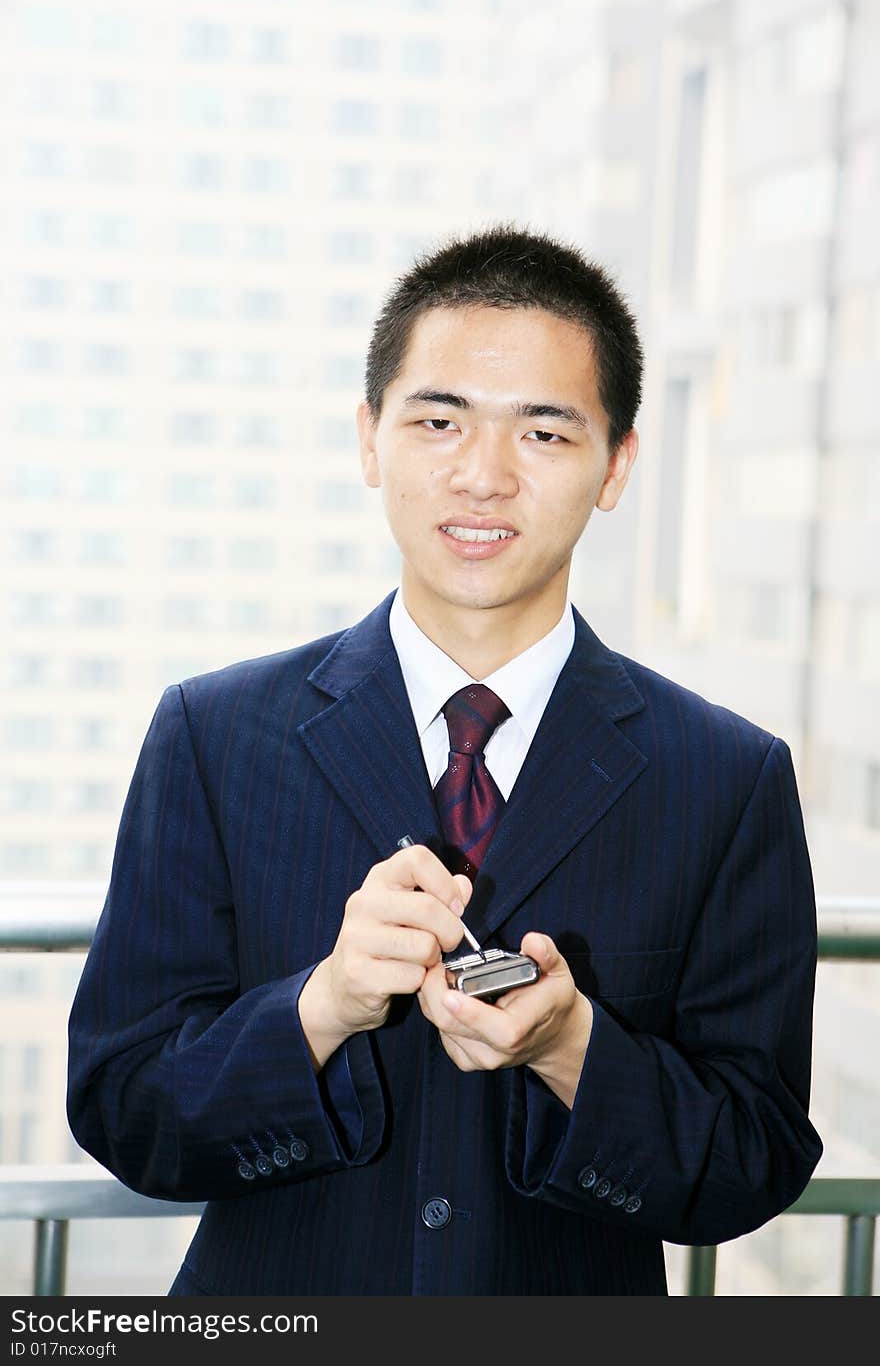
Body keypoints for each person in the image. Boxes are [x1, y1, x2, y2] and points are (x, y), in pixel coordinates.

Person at [67, 223, 823, 1296]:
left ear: (616, 465)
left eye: (545, 434)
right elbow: (123, 1106)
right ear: (371, 439)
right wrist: (318, 1006)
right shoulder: (212, 734)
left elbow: (753, 1159)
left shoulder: (726, 776)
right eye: (438, 420)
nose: (482, 476)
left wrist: (572, 1045)